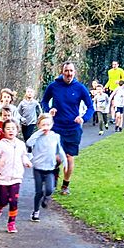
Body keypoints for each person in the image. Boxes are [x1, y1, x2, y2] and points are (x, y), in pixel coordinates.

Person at [41, 61, 94, 195]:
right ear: (62, 72)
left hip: (73, 128)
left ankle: (65, 185)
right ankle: (53, 174)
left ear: (74, 72)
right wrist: (49, 110)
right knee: (56, 158)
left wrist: (83, 118)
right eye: (66, 71)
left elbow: (90, 107)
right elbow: (44, 101)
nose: (69, 74)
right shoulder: (54, 86)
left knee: (69, 157)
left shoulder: (80, 88)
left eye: (71, 71)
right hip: (56, 127)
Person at [0, 119, 32, 233]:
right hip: (3, 177)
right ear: (3, 131)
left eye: (13, 128)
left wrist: (26, 161)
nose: (11, 131)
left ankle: (11, 223)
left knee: (13, 201)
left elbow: (23, 156)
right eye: (8, 128)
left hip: (17, 176)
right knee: (4, 200)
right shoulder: (0, 145)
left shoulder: (21, 144)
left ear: (17, 130)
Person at [26, 114, 67, 222]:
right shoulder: (37, 136)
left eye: (48, 124)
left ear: (52, 125)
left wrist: (65, 161)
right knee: (38, 192)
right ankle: (35, 212)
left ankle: (46, 198)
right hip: (38, 168)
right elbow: (28, 143)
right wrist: (39, 132)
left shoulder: (55, 136)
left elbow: (60, 150)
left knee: (49, 189)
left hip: (50, 168)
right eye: (43, 124)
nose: (46, 127)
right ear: (38, 125)